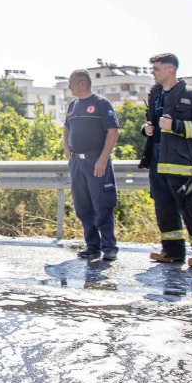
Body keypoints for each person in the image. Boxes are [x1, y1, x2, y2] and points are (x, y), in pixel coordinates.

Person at [139, 53, 192, 268]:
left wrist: (176, 126)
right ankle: (172, 251)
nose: (152, 73)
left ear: (170, 70)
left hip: (182, 166)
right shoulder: (155, 97)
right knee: (164, 209)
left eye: (155, 69)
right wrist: (146, 130)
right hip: (157, 165)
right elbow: (153, 125)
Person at [62, 69, 120, 260]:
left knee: (102, 204)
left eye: (71, 82)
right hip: (77, 162)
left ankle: (109, 247)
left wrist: (103, 159)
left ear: (82, 84)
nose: (68, 86)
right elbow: (66, 128)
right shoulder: (73, 105)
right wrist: (67, 151)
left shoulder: (101, 103)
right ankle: (92, 246)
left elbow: (113, 132)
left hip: (97, 161)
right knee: (83, 206)